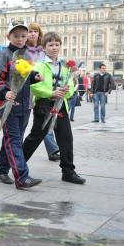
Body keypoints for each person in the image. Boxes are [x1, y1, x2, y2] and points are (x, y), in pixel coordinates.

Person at [22, 31, 86, 185]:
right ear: (44, 48)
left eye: (57, 44)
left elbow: (70, 84)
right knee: (36, 136)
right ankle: (18, 164)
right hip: (44, 105)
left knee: (66, 137)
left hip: (60, 105)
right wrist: (51, 92)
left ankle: (68, 172)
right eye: (50, 45)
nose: (54, 47)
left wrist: (66, 92)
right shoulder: (39, 65)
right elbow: (35, 86)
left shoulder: (64, 66)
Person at [0, 20, 43, 189]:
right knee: (13, 140)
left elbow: (25, 74)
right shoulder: (4, 55)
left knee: (14, 139)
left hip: (25, 104)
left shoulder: (27, 54)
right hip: (9, 105)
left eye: (23, 35)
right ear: (8, 36)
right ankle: (21, 177)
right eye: (16, 36)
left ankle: (0, 169)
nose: (20, 39)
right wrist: (5, 92)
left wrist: (34, 76)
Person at [26, 23, 60, 162]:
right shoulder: (24, 50)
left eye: (35, 31)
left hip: (45, 91)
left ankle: (52, 150)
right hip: (29, 88)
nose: (33, 33)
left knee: (45, 121)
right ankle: (19, 150)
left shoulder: (44, 50)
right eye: (30, 31)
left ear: (39, 33)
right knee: (31, 125)